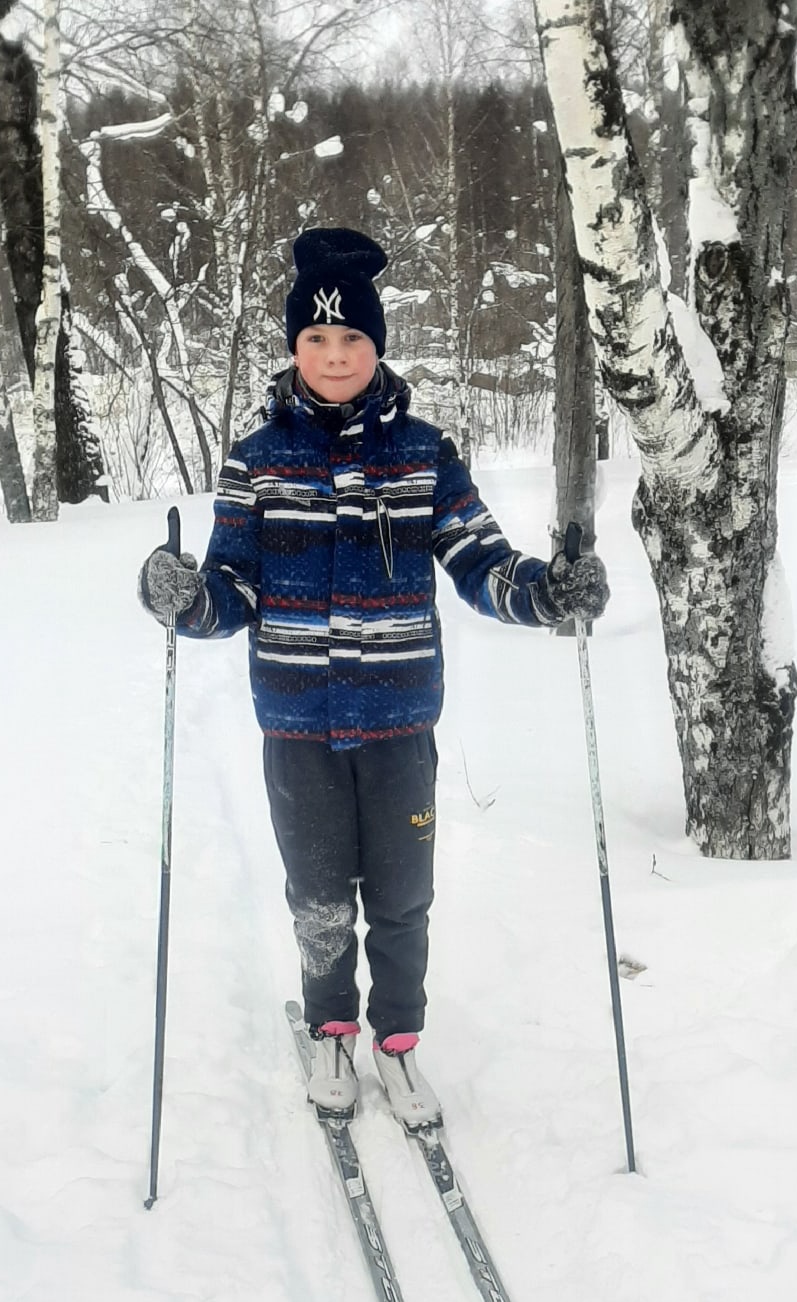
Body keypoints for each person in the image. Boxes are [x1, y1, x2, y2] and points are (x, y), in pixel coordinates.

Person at [139, 227, 608, 1128]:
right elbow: (231, 586)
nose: (335, 354)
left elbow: (479, 560)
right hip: (298, 726)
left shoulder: (422, 454)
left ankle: (397, 1042)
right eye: (316, 340)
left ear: (377, 345)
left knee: (401, 899)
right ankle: (331, 1033)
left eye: (351, 338)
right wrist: (183, 598)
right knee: (318, 898)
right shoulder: (256, 459)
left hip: (397, 725)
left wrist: (549, 594)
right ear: (293, 348)